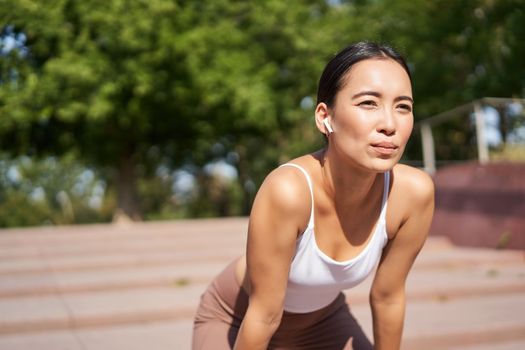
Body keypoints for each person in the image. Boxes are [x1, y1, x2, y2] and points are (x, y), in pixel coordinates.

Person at [192, 41, 435, 350]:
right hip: (239, 317)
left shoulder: (413, 194)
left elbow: (388, 297)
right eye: (368, 103)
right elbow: (264, 315)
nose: (390, 125)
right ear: (324, 117)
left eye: (403, 107)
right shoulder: (288, 191)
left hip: (324, 322)